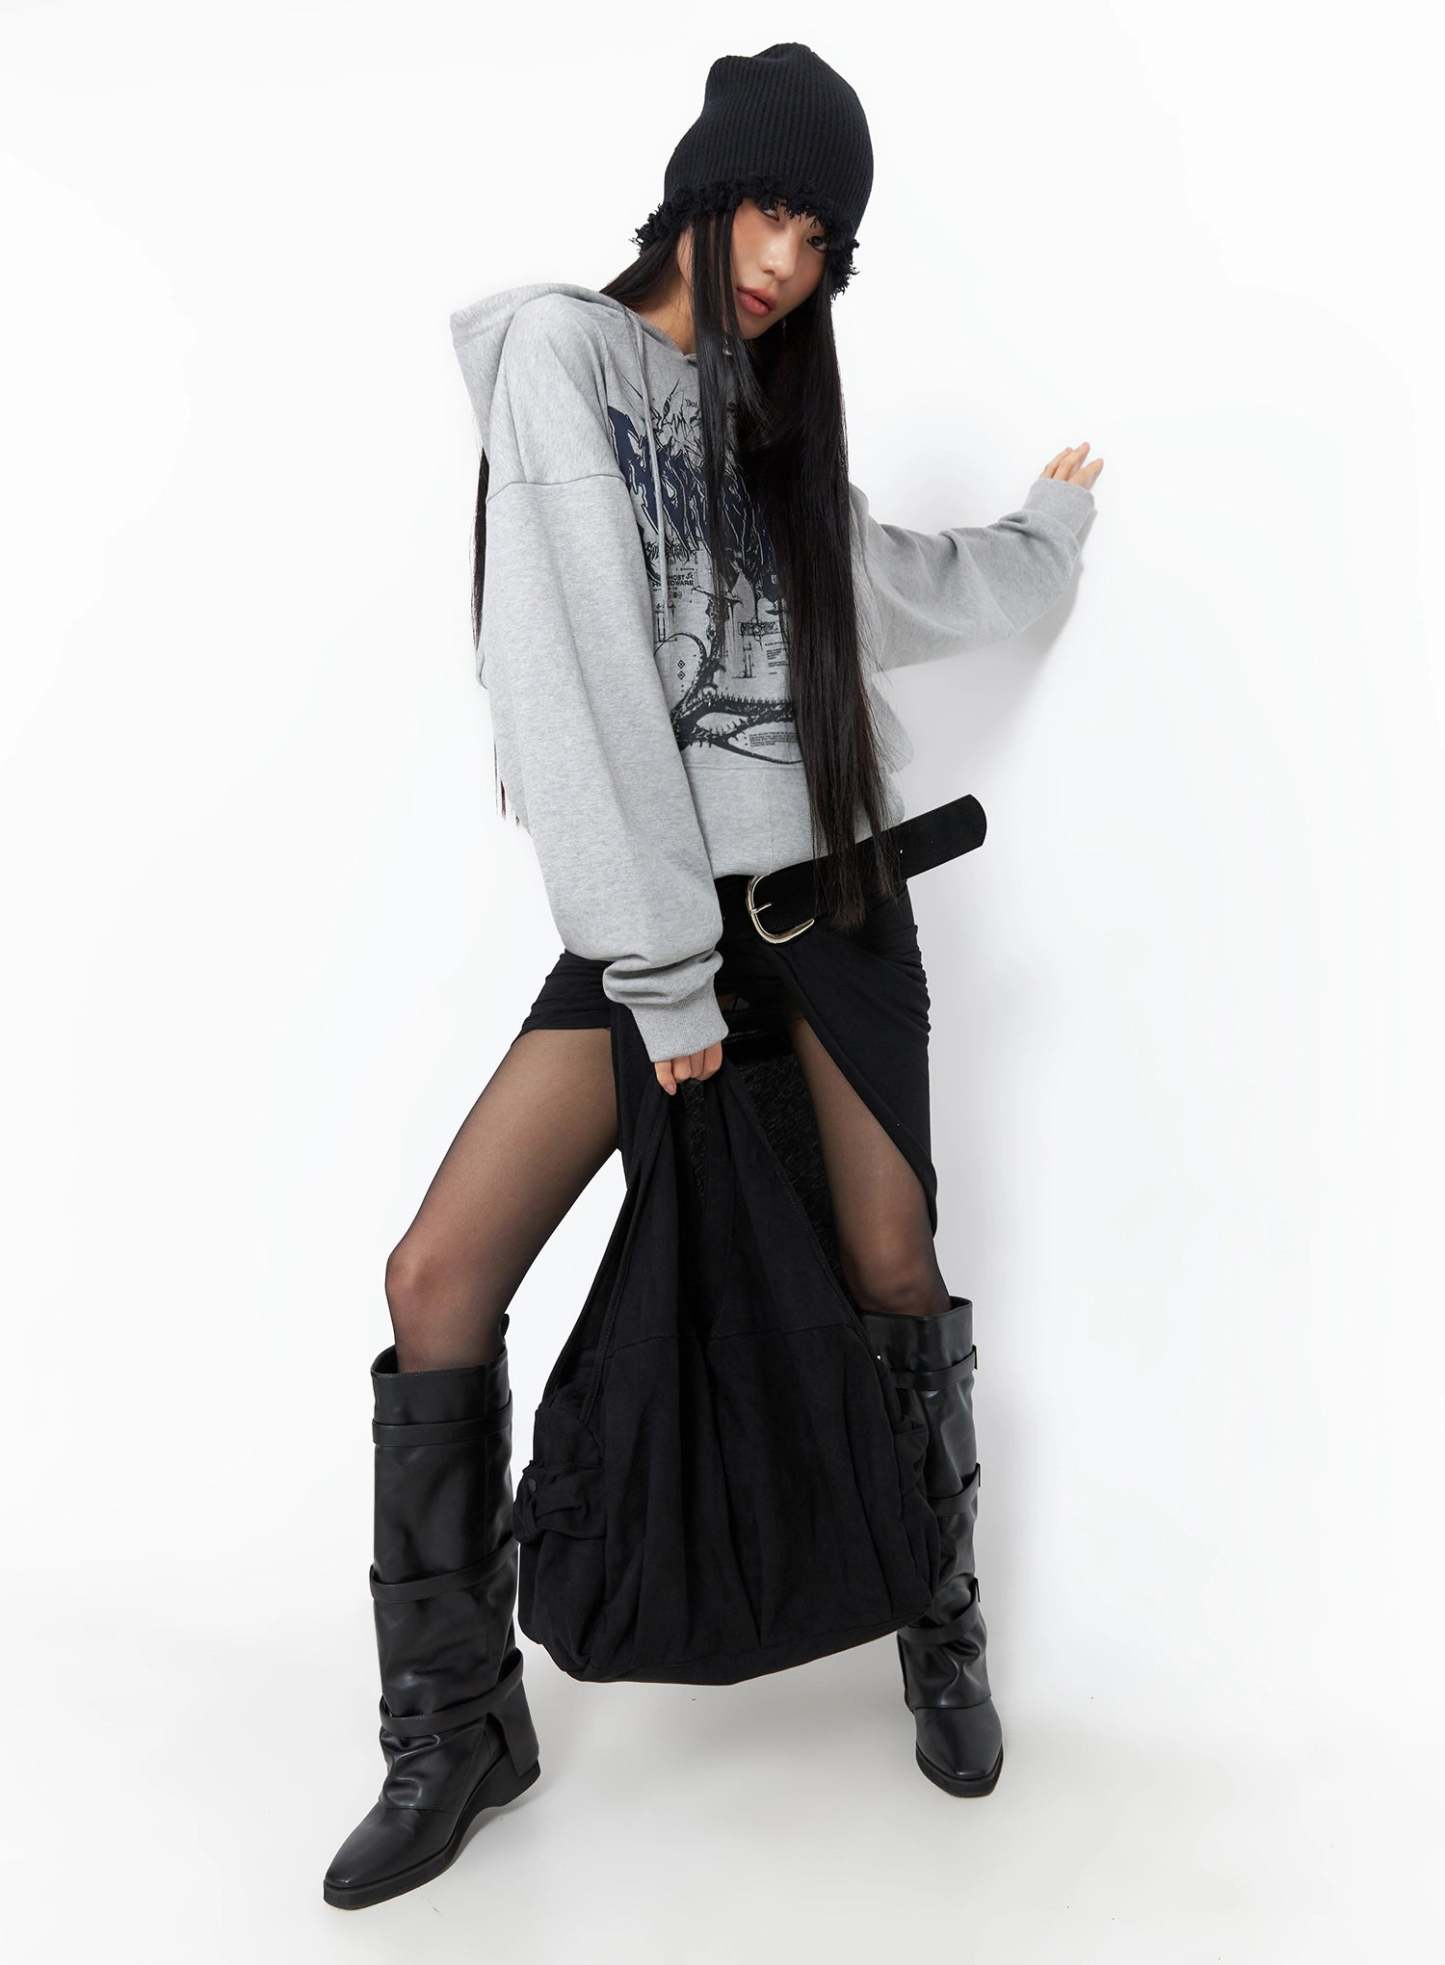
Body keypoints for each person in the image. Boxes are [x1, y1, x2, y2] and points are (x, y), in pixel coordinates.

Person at [324, 41, 1102, 1911]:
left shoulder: (766, 422)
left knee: (891, 1264)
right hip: (658, 934)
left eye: (821, 242)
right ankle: (455, 1725)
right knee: (437, 1275)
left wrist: (1045, 536)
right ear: (699, 187)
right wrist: (663, 978)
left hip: (831, 916)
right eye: (769, 210)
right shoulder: (564, 361)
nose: (782, 262)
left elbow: (898, 584)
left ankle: (937, 1629)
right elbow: (574, 689)